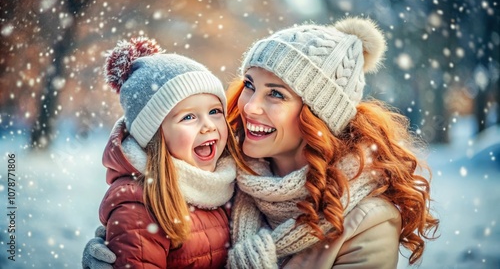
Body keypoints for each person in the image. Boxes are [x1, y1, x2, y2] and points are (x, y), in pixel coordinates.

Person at [83, 17, 440, 268]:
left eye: (276, 94)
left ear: (319, 115)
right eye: (250, 85)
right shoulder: (221, 177)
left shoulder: (369, 221)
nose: (249, 106)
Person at [84, 37, 252, 268]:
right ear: (155, 135)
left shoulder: (230, 183)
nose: (209, 125)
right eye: (188, 117)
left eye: (214, 111)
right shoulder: (139, 204)